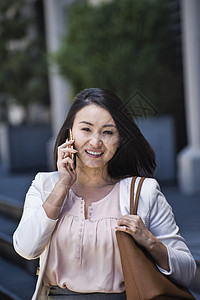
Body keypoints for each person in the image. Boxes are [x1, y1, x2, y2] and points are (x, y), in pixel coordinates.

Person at [13, 88, 196, 300]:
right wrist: (62, 185)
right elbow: (26, 248)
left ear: (120, 139)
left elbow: (188, 271)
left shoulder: (143, 192)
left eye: (108, 132)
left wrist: (148, 240)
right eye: (86, 129)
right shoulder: (44, 185)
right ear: (70, 133)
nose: (95, 142)